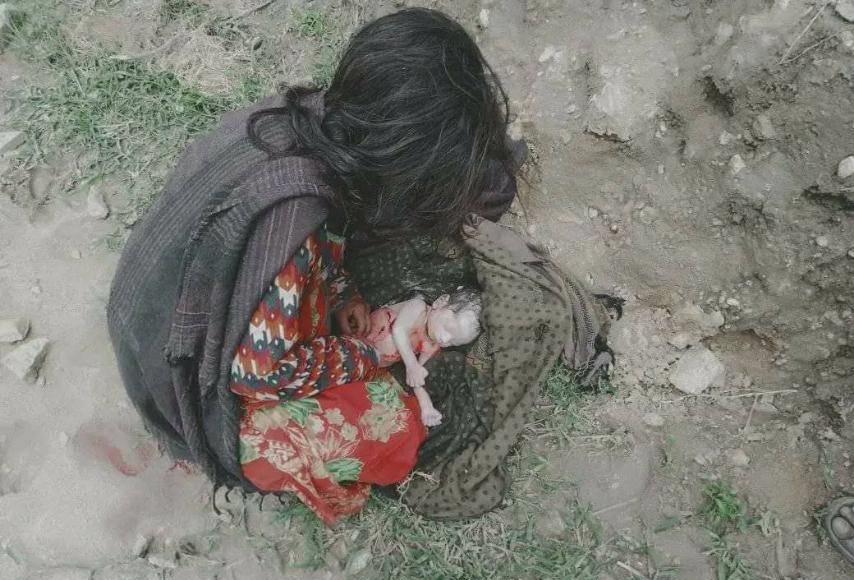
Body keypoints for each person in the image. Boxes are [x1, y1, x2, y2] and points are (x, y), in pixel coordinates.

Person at [107, 7, 519, 523]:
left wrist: (342, 291)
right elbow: (258, 377)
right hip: (181, 389)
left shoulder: (294, 118)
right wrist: (362, 355)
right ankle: (238, 446)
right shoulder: (294, 228)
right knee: (396, 428)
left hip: (145, 314)